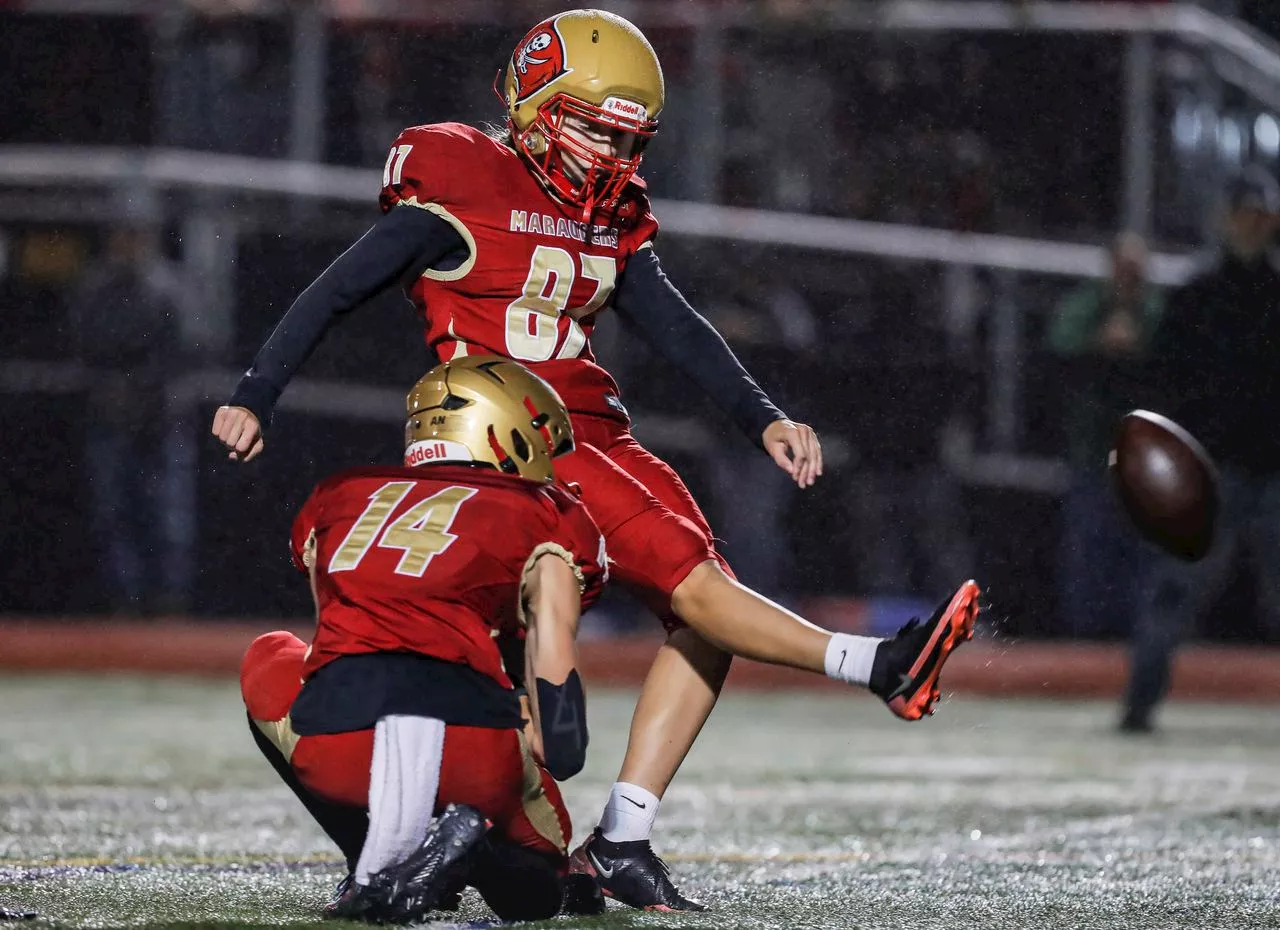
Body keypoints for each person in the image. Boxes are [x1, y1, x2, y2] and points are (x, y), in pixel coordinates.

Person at [214, 9, 982, 910]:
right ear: (534, 102)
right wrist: (257, 390)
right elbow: (337, 288)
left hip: (597, 430)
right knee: (685, 594)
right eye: (593, 126)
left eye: (629, 137)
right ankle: (881, 667)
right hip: (515, 441)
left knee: (706, 610)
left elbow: (676, 326)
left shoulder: (609, 211)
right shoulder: (466, 179)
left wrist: (759, 415)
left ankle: (622, 832)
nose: (611, 152)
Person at [241, 357, 607, 923]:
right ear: (501, 430)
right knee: (542, 880)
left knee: (270, 654)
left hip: (341, 743)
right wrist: (536, 724)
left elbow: (329, 650)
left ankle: (368, 858)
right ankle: (474, 853)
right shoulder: (548, 512)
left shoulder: (339, 494)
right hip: (472, 747)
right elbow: (564, 740)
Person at [1122, 167, 1280, 733]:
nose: (1250, 225)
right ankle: (1139, 705)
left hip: (1270, 470)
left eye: (1259, 215)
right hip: (1210, 469)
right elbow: (1166, 383)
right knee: (1173, 590)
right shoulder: (1196, 298)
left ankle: (1140, 703)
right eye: (1243, 213)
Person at [68, 220, 197, 615]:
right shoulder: (95, 291)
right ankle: (124, 602)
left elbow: (190, 354)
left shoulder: (169, 291)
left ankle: (170, 605)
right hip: (111, 416)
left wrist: (157, 397)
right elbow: (83, 349)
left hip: (160, 419)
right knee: (113, 514)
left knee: (168, 519)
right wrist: (108, 391)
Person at [1046, 232, 1164, 639]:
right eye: (1123, 268)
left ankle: (1143, 639)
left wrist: (1137, 348)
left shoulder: (1158, 312)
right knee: (1089, 555)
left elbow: (1180, 363)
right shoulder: (1086, 307)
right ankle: (1085, 643)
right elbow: (1059, 347)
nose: (1129, 278)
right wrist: (1101, 343)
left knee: (1145, 559)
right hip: (1093, 455)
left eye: (1136, 270)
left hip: (1145, 464)